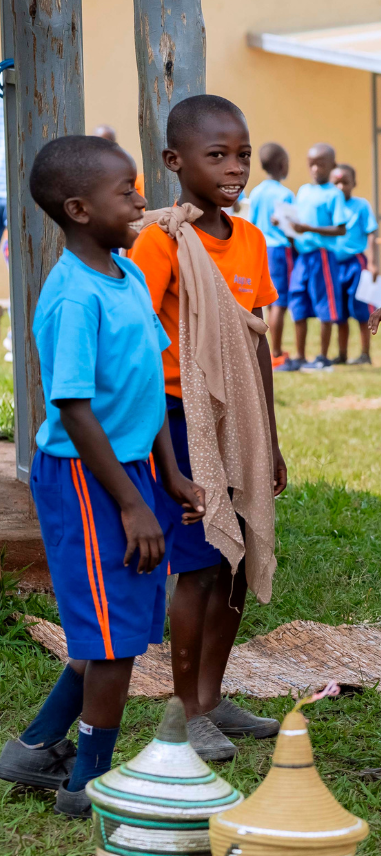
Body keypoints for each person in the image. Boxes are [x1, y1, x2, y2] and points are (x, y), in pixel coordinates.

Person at [0, 135, 202, 816]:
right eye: (127, 193)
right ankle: (88, 783)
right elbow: (76, 412)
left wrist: (168, 476)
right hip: (89, 481)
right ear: (81, 209)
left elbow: (148, 392)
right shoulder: (72, 298)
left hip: (134, 470)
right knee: (110, 641)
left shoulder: (130, 276)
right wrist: (130, 505)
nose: (142, 202)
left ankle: (34, 750)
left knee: (116, 627)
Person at [130, 95, 288, 762]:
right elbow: (136, 339)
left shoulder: (251, 238)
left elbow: (256, 343)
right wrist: (166, 457)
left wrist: (270, 440)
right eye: (216, 155)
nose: (234, 167)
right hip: (175, 416)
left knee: (241, 554)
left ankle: (213, 694)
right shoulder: (161, 238)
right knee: (198, 565)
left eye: (243, 155)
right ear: (175, 161)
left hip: (236, 422)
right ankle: (184, 706)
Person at [281, 143, 348, 371]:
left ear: (332, 166)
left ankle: (322, 356)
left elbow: (340, 229)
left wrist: (309, 229)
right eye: (312, 164)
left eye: (321, 164)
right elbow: (298, 223)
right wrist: (285, 224)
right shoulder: (303, 191)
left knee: (325, 304)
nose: (315, 169)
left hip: (323, 256)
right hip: (303, 256)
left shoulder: (334, 194)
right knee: (297, 300)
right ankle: (299, 356)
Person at [246, 142, 296, 367]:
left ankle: (262, 348)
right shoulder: (285, 194)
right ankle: (276, 352)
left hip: (260, 249)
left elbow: (252, 224)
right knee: (279, 302)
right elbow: (291, 228)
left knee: (261, 301)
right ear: (282, 165)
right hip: (279, 251)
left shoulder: (256, 192)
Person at [330, 163, 377, 365]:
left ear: (354, 184)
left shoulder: (361, 205)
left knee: (361, 310)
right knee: (339, 313)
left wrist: (373, 262)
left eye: (345, 182)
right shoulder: (329, 207)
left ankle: (365, 354)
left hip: (356, 264)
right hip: (333, 265)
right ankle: (342, 354)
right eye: (336, 183)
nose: (340, 187)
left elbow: (371, 232)